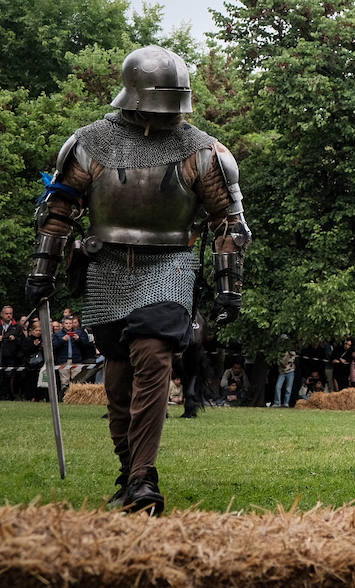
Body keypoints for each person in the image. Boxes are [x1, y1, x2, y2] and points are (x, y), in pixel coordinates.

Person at [25, 46, 250, 515]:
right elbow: (59, 210)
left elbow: (227, 222)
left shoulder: (203, 151)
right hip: (106, 266)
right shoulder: (89, 143)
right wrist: (42, 271)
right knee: (120, 378)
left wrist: (229, 284)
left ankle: (145, 478)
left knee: (153, 352)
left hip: (169, 265)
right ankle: (129, 472)